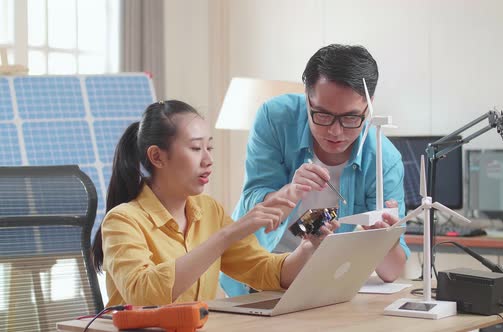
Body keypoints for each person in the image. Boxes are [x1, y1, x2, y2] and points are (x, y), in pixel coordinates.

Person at [91, 100, 339, 306]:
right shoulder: (122, 220)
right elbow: (144, 293)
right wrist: (227, 235)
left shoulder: (209, 210)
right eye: (196, 148)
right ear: (157, 156)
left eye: (209, 147)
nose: (208, 160)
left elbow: (266, 273)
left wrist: (308, 248)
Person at [220, 44, 410, 297]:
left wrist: (387, 239)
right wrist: (288, 193)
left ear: (370, 107)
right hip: (257, 273)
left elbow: (391, 272)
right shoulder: (275, 118)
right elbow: (253, 196)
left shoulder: (384, 160)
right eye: (322, 114)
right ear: (307, 98)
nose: (335, 131)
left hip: (320, 283)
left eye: (351, 118)